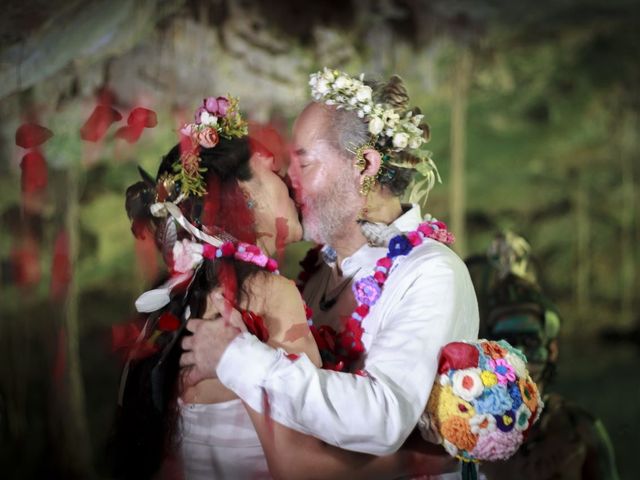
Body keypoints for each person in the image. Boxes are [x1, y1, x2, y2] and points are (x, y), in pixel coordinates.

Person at [112, 94, 451, 480]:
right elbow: (300, 465)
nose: (291, 181)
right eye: (274, 172)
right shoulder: (266, 294)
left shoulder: (185, 298)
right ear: (247, 197)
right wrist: (428, 458)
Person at [180, 69, 480, 478]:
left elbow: (384, 417)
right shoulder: (316, 271)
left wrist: (235, 358)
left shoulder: (431, 273)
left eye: (304, 164)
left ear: (366, 165)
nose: (290, 180)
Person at [467, 232, 620, 480]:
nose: (519, 353)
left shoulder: (578, 430)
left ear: (552, 349)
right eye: (509, 342)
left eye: (529, 341)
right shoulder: (472, 428)